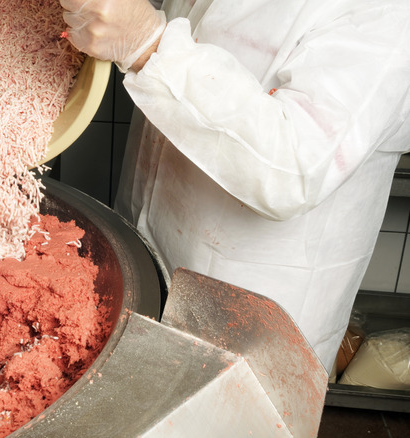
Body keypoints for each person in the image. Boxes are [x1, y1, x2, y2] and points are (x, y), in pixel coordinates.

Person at [60, 0, 410, 373]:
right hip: (149, 250)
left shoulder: (384, 12)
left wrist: (148, 46)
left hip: (252, 316)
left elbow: (293, 168)